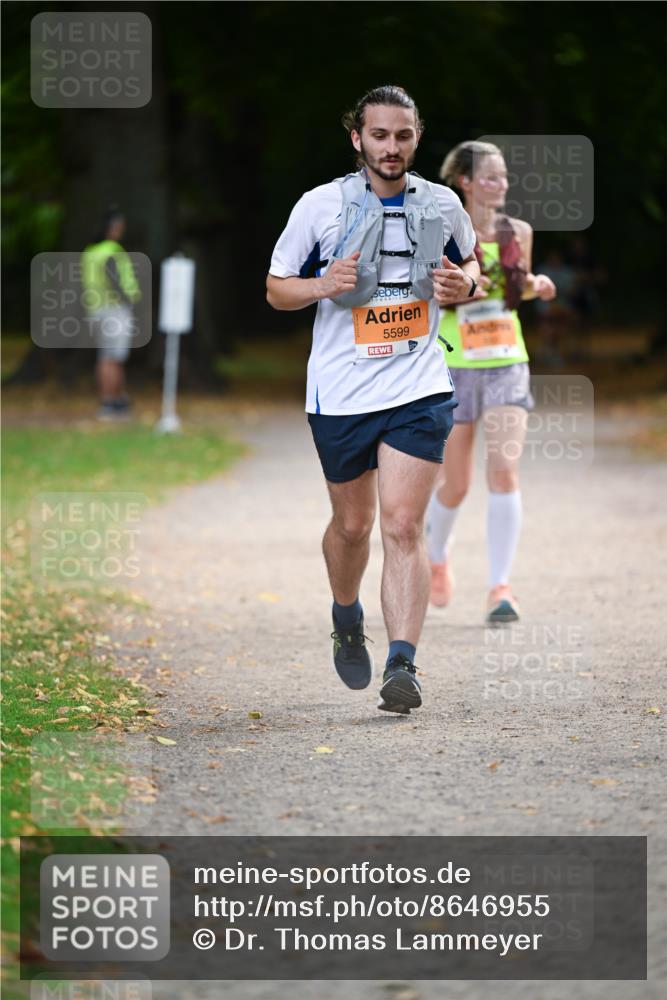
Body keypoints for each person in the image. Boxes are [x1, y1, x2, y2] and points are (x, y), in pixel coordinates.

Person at [266, 86, 480, 714]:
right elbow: (276, 289)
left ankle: (402, 665)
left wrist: (464, 284)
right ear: (357, 138)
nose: (392, 147)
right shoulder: (320, 206)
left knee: (403, 524)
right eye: (380, 135)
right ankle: (346, 615)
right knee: (354, 526)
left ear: (417, 138)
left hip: (419, 386)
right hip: (342, 392)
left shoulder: (442, 203)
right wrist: (320, 285)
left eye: (403, 136)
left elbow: (472, 266)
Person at [425, 140, 556, 624]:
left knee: (503, 472)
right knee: (455, 485)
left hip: (505, 360)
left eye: (504, 176)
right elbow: (427, 289)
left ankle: (501, 588)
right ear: (465, 181)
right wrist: (462, 286)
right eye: (491, 176)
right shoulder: (440, 229)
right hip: (454, 362)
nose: (502, 184)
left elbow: (515, 287)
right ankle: (436, 556)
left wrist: (536, 285)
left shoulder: (518, 231)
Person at [81, 208, 141, 420]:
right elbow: (114, 277)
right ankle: (109, 402)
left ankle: (118, 399)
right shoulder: (111, 250)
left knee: (108, 356)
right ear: (112, 228)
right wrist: (127, 300)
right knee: (111, 358)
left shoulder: (90, 251)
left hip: (96, 309)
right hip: (114, 309)